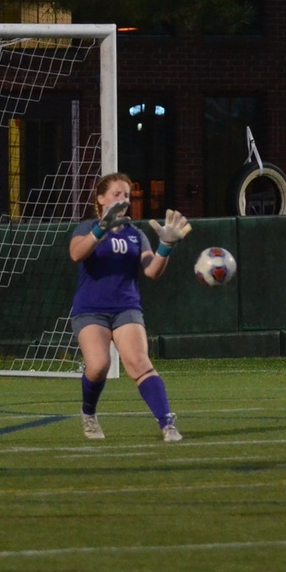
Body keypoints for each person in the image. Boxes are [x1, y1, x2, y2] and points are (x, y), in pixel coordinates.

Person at [69, 173, 190, 442]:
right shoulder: (87, 227)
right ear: (100, 199)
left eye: (126, 195)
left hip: (126, 307)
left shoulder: (136, 235)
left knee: (138, 363)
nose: (123, 199)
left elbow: (152, 271)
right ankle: (88, 412)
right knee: (99, 365)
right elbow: (76, 254)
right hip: (90, 309)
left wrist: (166, 246)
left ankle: (167, 423)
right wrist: (100, 229)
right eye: (116, 194)